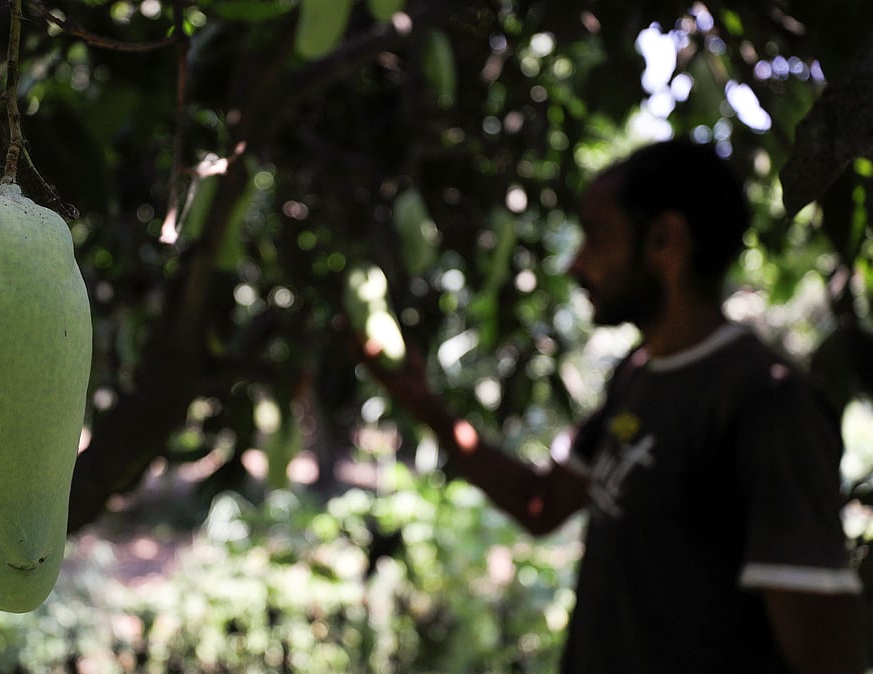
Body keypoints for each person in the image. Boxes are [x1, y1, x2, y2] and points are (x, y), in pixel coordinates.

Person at [370, 139, 868, 673]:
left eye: (596, 234)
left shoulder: (764, 402)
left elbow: (823, 656)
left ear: (664, 241)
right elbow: (542, 503)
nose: (576, 263)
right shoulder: (637, 375)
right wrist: (421, 404)